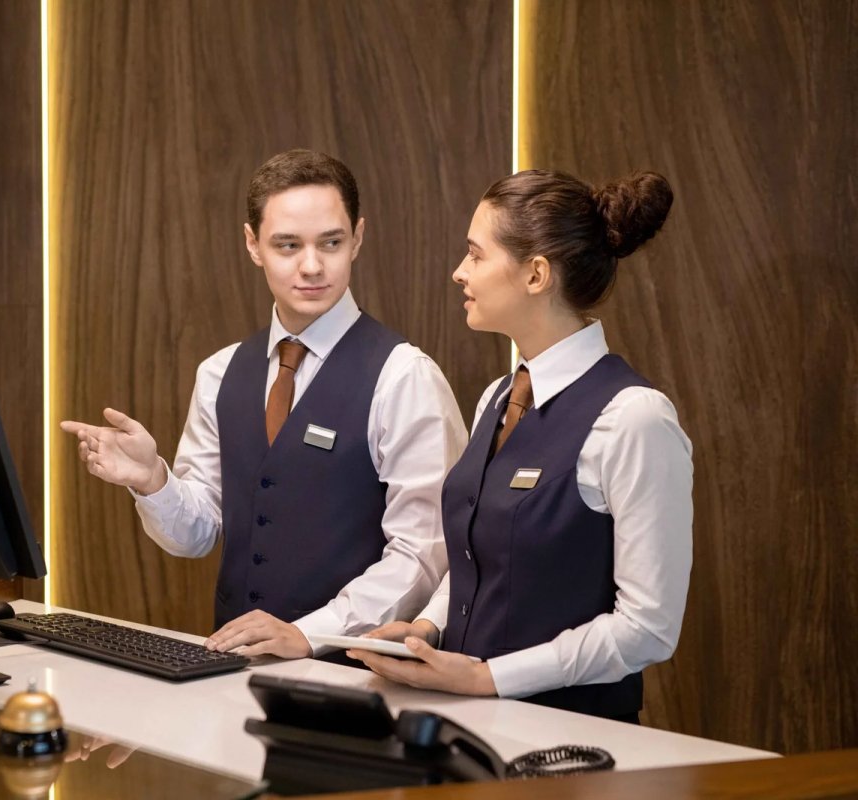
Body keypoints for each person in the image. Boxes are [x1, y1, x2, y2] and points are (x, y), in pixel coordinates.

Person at [60, 149, 466, 659]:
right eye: (288, 245)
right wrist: (153, 482)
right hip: (232, 668)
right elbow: (197, 535)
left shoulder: (405, 376)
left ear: (358, 238)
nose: (312, 266)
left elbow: (424, 553)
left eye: (332, 243)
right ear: (253, 245)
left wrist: (312, 633)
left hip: (357, 672)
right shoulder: (219, 372)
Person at [349, 169, 692, 723]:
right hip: (463, 724)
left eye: (476, 256)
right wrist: (427, 626)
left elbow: (647, 630)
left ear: (535, 274)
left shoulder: (634, 419)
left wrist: (490, 678)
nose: (459, 273)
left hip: (568, 743)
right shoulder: (498, 397)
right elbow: (480, 560)